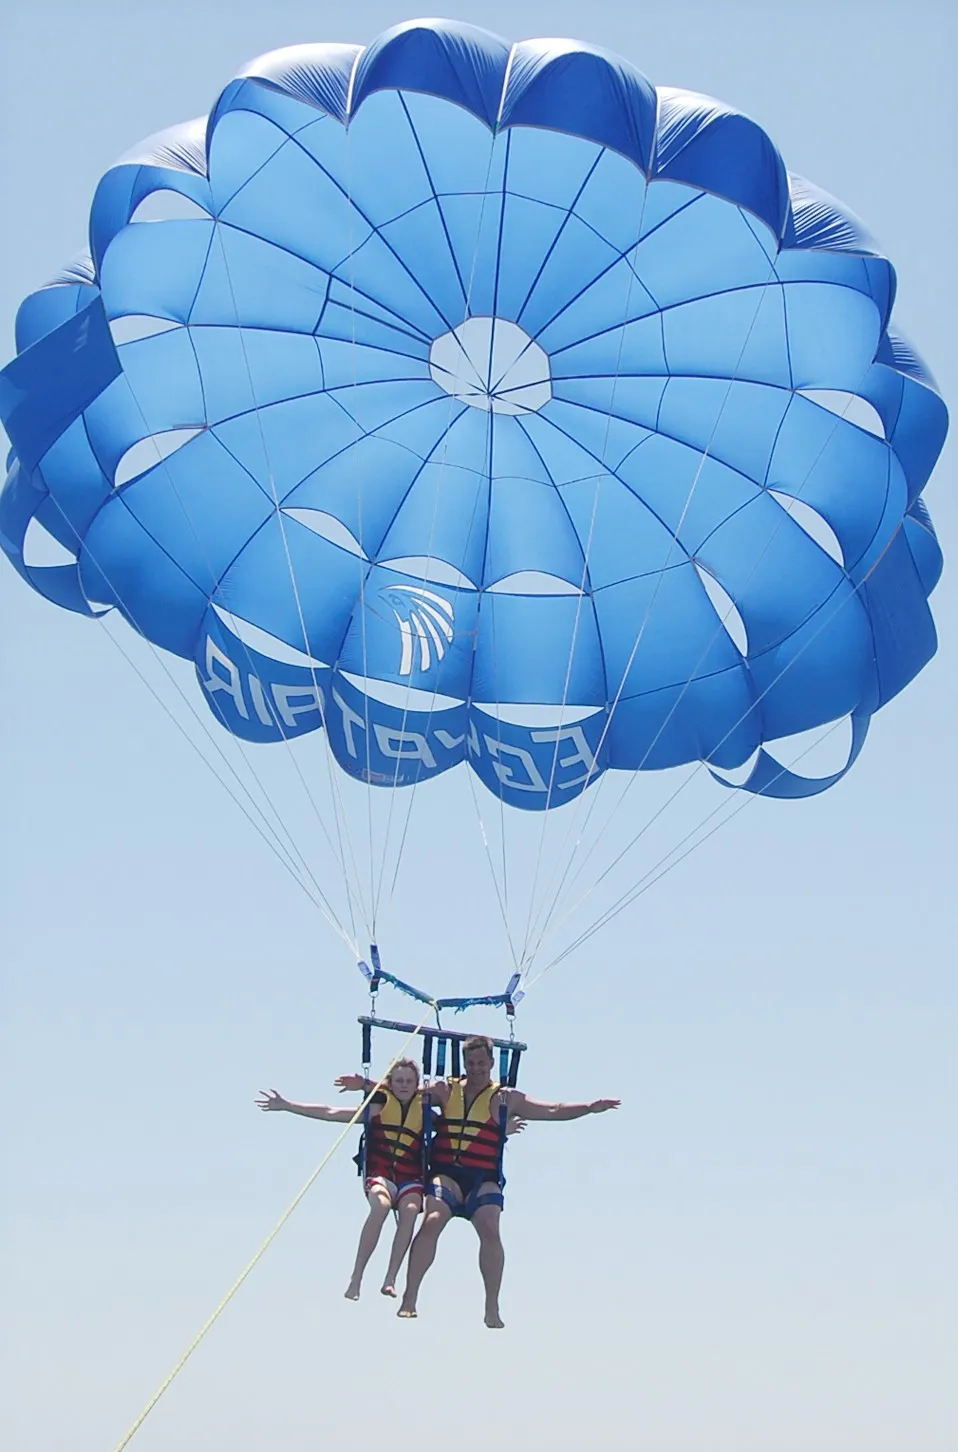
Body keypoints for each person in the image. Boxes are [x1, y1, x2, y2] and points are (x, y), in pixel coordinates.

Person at [398, 1035, 619, 1329]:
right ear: (464, 1063)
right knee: (432, 1219)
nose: (475, 1068)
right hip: (446, 1174)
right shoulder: (445, 1089)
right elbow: (403, 1089)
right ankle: (410, 1296)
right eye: (470, 1063)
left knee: (490, 1229)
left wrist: (589, 1107)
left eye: (481, 1063)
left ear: (491, 1063)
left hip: (483, 1179)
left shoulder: (505, 1098)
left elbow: (552, 1110)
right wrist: (366, 1086)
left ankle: (491, 1305)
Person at [256, 1059, 426, 1300]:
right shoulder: (378, 1109)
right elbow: (331, 1112)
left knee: (410, 1211)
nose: (404, 1086)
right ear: (389, 1084)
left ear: (417, 1084)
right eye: (398, 1081)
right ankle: (356, 1277)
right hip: (381, 1175)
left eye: (409, 1081)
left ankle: (390, 1278)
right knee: (381, 1207)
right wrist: (288, 1105)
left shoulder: (425, 1110)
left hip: (410, 1179)